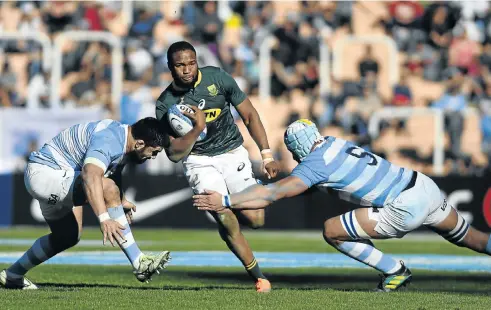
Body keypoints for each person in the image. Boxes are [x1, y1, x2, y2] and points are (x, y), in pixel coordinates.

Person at [193, 119, 491, 292]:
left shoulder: (313, 165)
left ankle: (395, 270)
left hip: (403, 205)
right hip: (422, 184)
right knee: (474, 239)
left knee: (332, 230)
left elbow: (271, 195)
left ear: (297, 148)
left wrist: (228, 200)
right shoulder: (335, 142)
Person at [155, 41, 279, 292]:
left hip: (232, 152)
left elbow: (250, 115)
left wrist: (266, 155)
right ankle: (258, 276)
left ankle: (238, 212)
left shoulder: (218, 78)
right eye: (180, 65)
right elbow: (174, 154)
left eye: (191, 63)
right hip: (198, 160)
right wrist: (198, 129)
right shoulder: (164, 104)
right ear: (170, 67)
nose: (187, 70)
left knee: (256, 220)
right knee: (225, 217)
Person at [0, 117, 171, 290]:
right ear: (140, 143)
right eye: (154, 152)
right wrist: (104, 218)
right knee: (107, 187)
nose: (153, 157)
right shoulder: (110, 139)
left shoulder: (122, 137)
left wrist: (120, 201)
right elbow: (90, 174)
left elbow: (114, 171)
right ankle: (139, 261)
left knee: (67, 236)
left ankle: (13, 275)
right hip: (46, 174)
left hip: (51, 175)